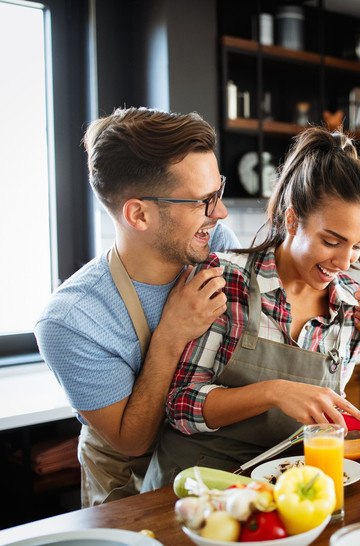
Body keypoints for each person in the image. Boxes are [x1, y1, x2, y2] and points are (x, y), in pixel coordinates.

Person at [142, 127, 360, 489]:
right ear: (293, 220)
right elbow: (180, 406)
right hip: (196, 488)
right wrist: (273, 391)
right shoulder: (225, 281)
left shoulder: (349, 307)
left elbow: (322, 426)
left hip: (288, 491)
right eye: (332, 241)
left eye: (359, 246)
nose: (345, 262)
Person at [34, 107, 240, 507]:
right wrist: (171, 333)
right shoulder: (71, 320)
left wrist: (351, 311)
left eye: (219, 192)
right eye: (204, 201)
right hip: (133, 499)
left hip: (219, 479)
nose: (220, 212)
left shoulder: (217, 245)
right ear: (138, 214)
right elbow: (132, 441)